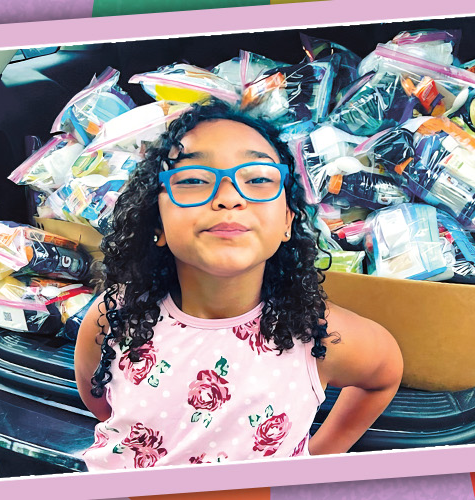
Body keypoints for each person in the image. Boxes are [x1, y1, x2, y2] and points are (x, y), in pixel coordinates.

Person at [74, 101, 403, 470]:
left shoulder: (318, 335)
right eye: (193, 179)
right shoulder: (116, 314)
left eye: (259, 179)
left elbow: (384, 375)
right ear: (157, 225)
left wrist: (319, 456)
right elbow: (101, 402)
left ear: (287, 222)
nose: (229, 197)